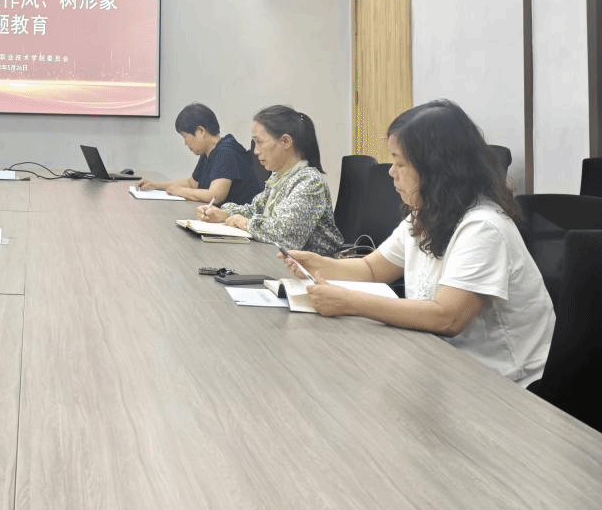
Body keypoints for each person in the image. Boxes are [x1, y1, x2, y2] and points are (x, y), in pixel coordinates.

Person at [281, 100, 554, 386]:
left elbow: (447, 317)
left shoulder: (483, 227)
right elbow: (371, 269)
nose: (391, 171)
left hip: (504, 383)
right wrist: (319, 264)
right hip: (441, 362)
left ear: (437, 169)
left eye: (400, 163)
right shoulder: (425, 215)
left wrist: (350, 302)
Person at [199, 104, 342, 254]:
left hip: (311, 265)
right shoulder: (279, 176)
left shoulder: (310, 182)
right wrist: (225, 213)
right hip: (279, 258)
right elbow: (255, 210)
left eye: (259, 142)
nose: (255, 151)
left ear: (285, 141)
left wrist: (245, 223)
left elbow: (286, 236)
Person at [135, 102, 263, 205]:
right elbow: (192, 183)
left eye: (185, 136)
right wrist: (155, 185)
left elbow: (215, 195)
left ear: (201, 131)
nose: (185, 143)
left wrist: (180, 191)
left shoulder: (226, 152)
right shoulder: (208, 151)